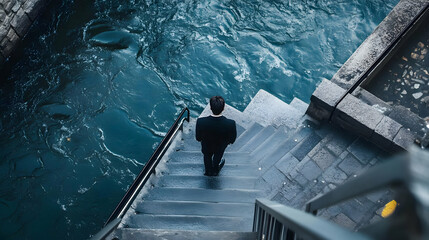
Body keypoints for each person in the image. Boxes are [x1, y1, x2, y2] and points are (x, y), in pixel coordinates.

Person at [196, 96, 237, 176]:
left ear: (210, 108)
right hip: (221, 146)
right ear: (223, 108)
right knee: (218, 156)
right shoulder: (230, 123)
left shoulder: (201, 121)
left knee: (207, 156)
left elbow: (198, 138)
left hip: (206, 146)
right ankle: (215, 169)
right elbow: (232, 139)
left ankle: (208, 171)